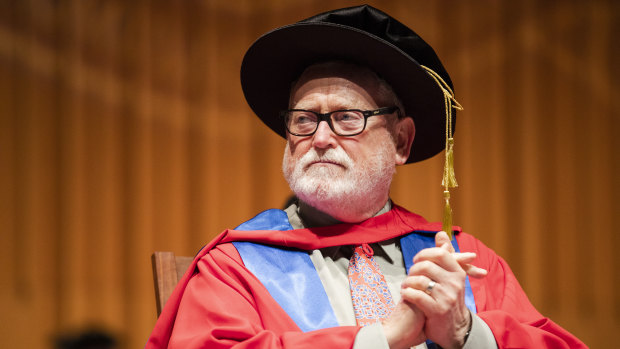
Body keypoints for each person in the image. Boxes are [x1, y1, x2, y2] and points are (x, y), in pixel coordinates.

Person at [146, 5, 586, 349]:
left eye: (346, 117)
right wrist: (382, 339)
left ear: (401, 141)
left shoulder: (460, 261)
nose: (319, 138)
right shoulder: (235, 266)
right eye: (303, 119)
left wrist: (465, 332)